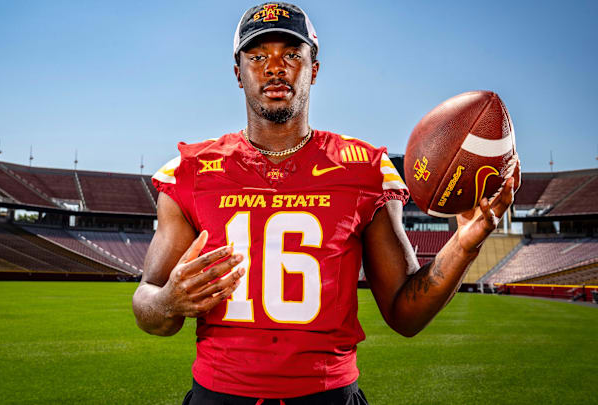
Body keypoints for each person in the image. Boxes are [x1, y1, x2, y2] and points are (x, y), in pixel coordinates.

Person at [132, 3, 518, 404]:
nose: (275, 67)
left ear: (313, 70)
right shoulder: (192, 170)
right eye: (258, 56)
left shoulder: (365, 169)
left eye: (292, 55)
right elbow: (147, 303)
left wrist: (464, 244)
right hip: (220, 395)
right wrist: (167, 301)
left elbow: (406, 315)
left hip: (329, 395)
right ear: (238, 73)